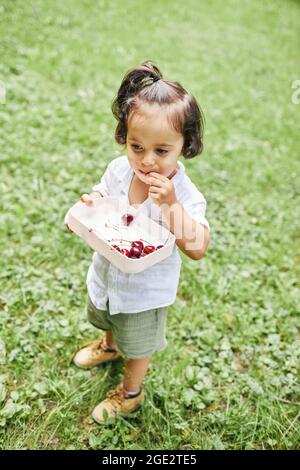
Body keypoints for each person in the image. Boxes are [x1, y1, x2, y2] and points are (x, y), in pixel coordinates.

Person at [64, 60, 210, 424]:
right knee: (107, 315)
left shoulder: (185, 195)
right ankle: (110, 347)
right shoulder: (119, 169)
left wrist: (171, 206)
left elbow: (198, 246)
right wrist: (90, 205)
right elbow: (103, 193)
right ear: (124, 138)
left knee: (138, 344)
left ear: (184, 147)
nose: (146, 160)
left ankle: (130, 392)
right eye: (136, 146)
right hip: (109, 272)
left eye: (161, 151)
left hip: (145, 292)